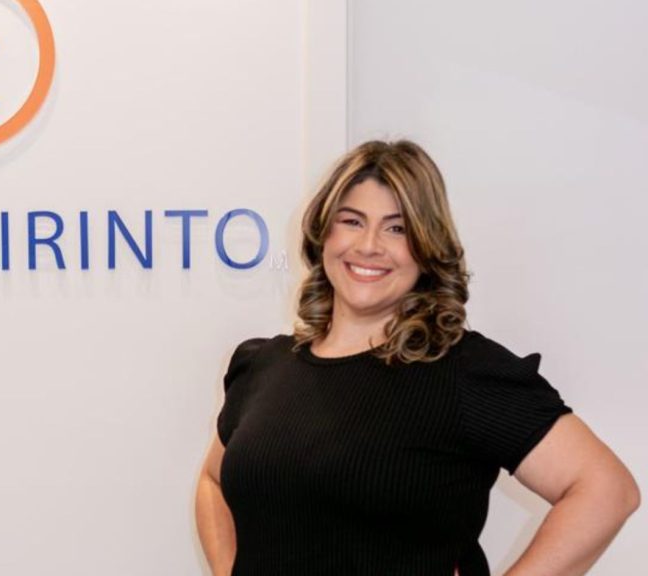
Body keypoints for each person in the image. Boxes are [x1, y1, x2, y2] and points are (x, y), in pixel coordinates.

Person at [194, 140, 640, 575]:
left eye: (397, 228)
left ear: (426, 248)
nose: (369, 245)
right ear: (323, 233)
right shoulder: (263, 365)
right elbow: (213, 482)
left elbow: (607, 491)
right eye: (352, 221)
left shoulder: (464, 372)